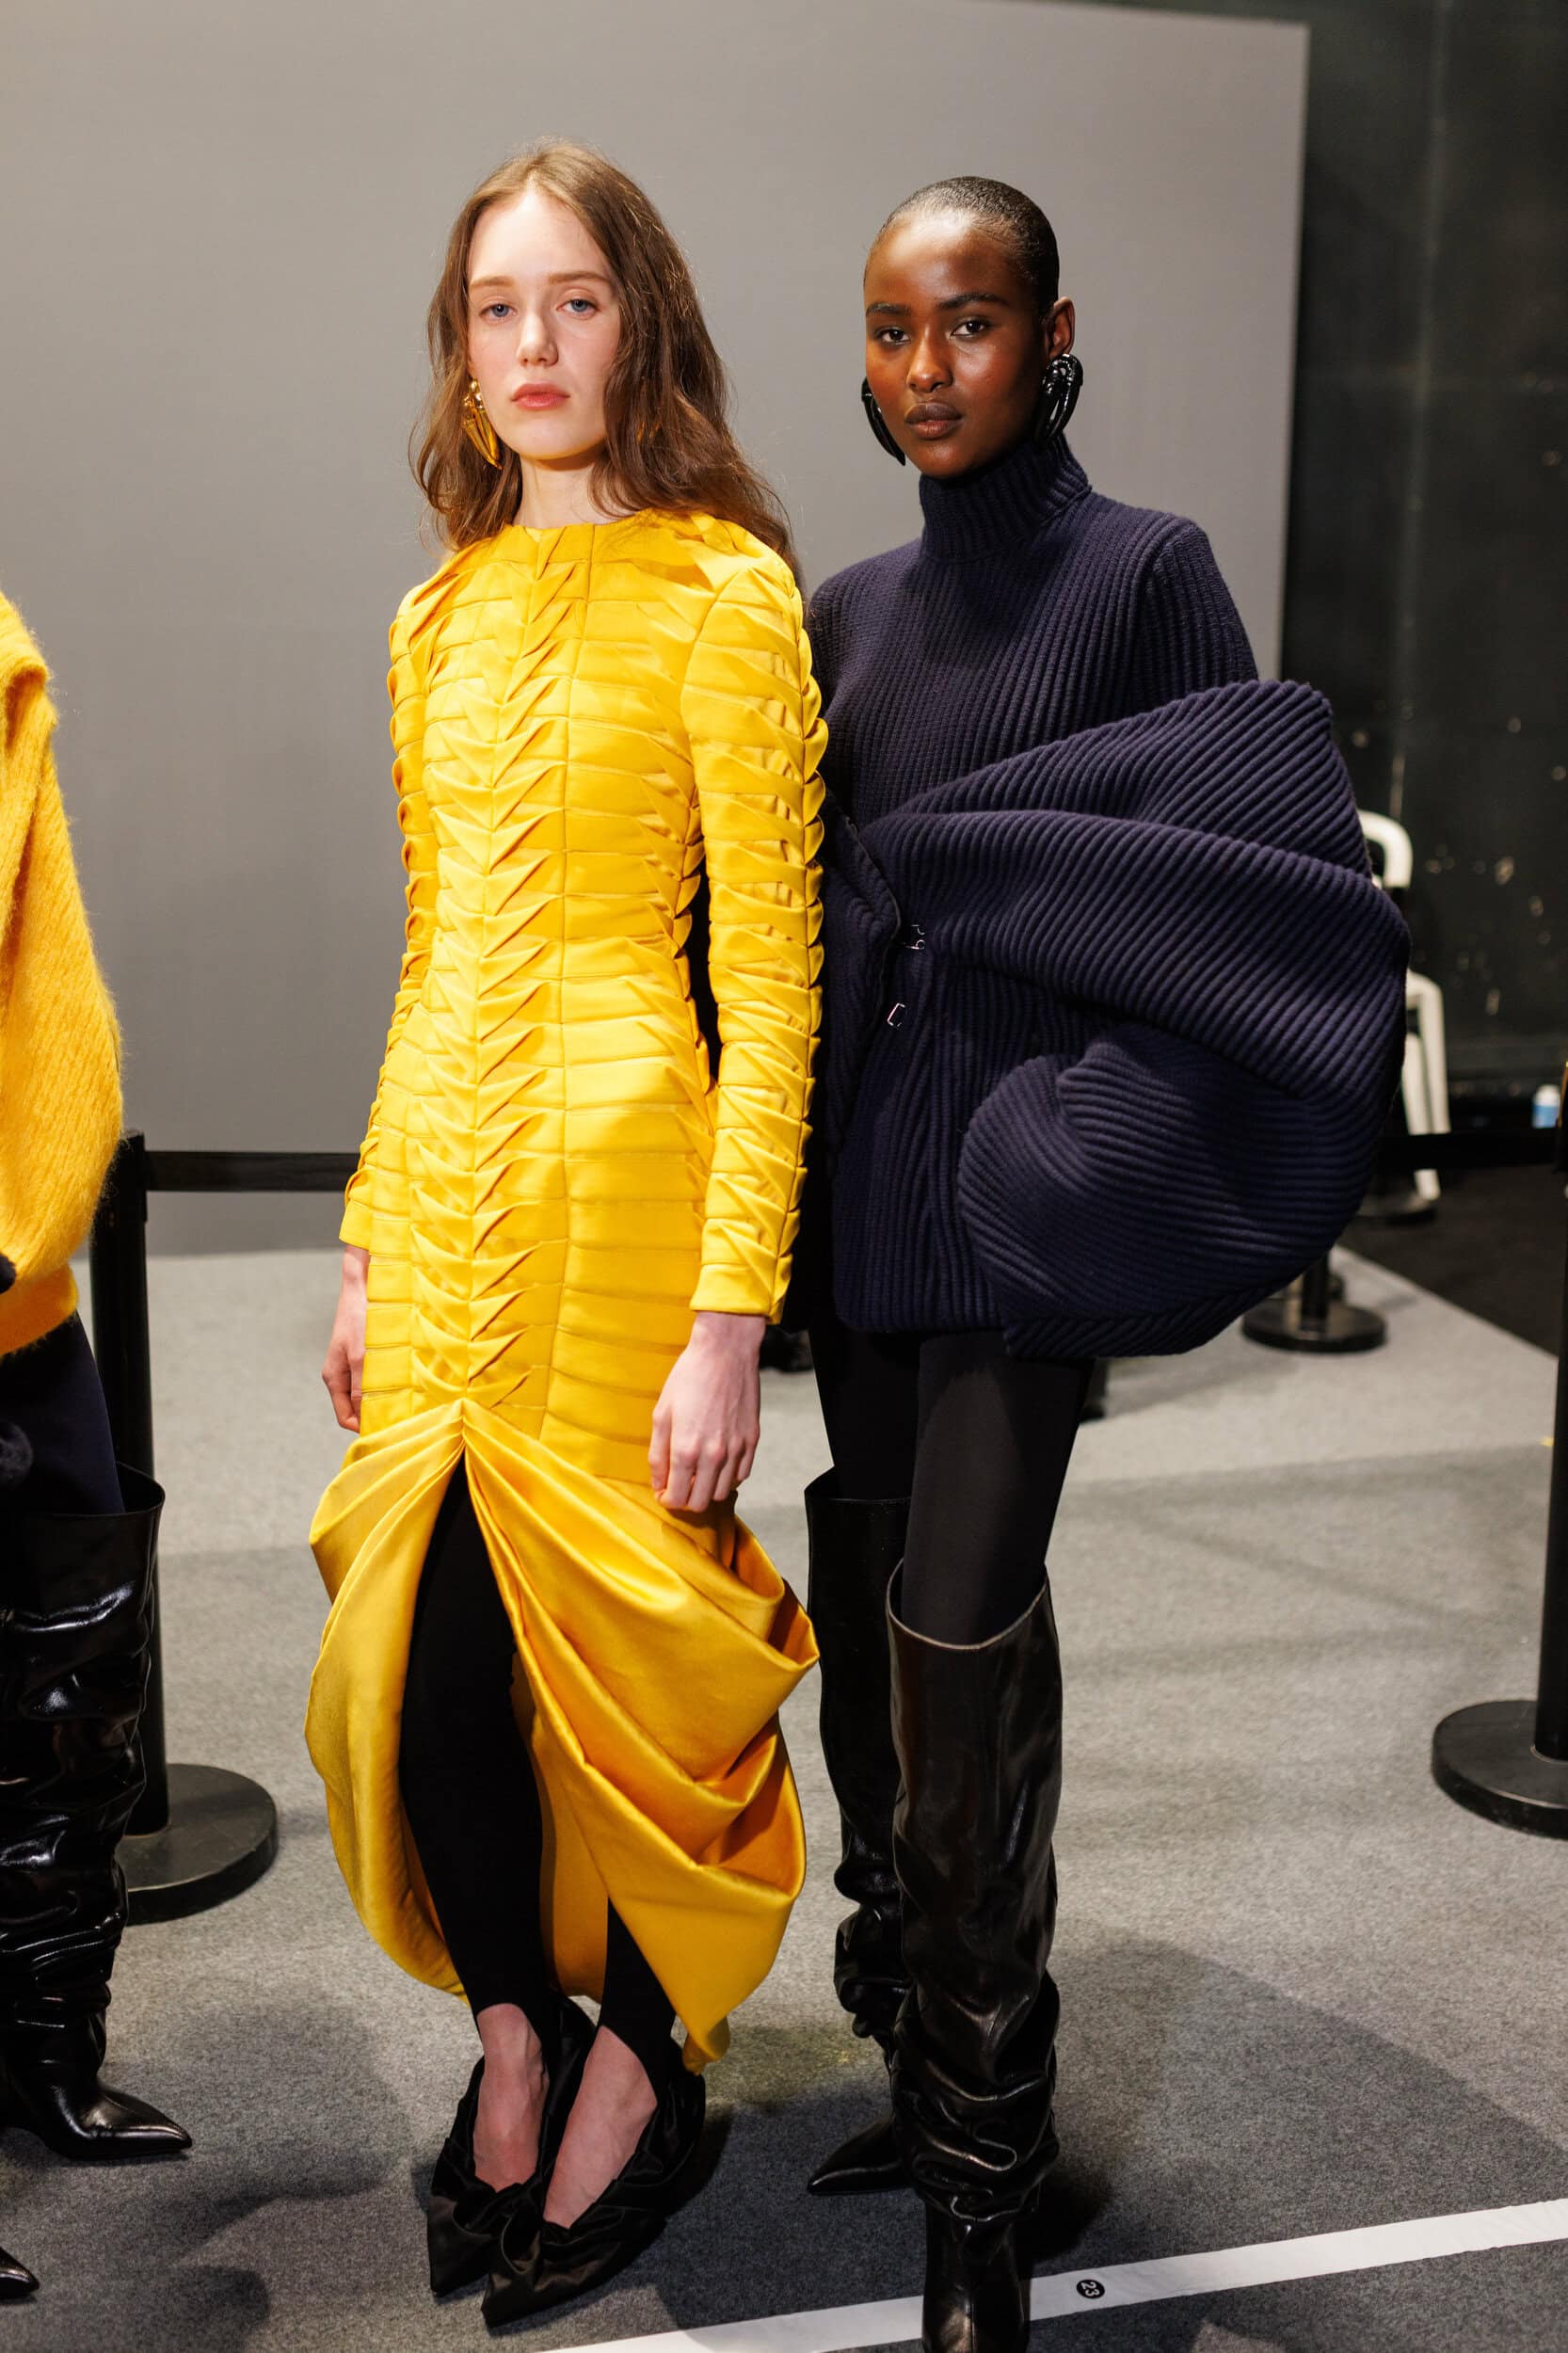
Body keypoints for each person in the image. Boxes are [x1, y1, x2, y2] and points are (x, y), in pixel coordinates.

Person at [797, 180, 1407, 2353]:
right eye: (891, 328)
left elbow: (1241, 894)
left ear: (1051, 331)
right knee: (875, 1642)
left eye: (965, 323)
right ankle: (919, 2061)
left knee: (954, 1635)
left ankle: (983, 2193)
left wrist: (1069, 1139)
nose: (923, 368)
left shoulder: (1145, 572)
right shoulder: (842, 610)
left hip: (1016, 1213)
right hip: (861, 1204)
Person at [306, 141, 823, 2327]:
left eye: (575, 301)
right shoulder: (428, 617)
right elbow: (432, 956)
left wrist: (732, 1315)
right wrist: (362, 1238)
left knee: (622, 1663)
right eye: (496, 307)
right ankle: (514, 2023)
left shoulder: (725, 592)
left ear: (641, 326)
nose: (533, 344)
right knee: (428, 1657)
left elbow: (770, 987)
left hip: (629, 1210)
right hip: (437, 1200)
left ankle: (643, 2054)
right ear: (460, 347)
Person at [0, 592, 191, 2302]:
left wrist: (34, 1218)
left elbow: (44, 963)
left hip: (14, 1281)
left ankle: (47, 2051)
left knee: (70, 1679)